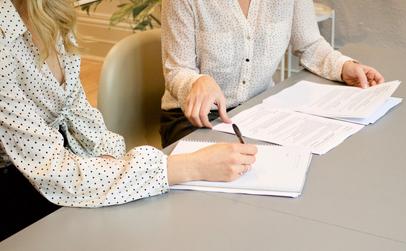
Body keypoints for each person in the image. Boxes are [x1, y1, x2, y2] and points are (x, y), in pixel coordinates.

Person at [0, 0, 257, 241]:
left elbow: (79, 113)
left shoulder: (52, 13)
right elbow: (53, 171)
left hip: (58, 164)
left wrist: (110, 160)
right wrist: (191, 167)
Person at [159, 0, 385, 147]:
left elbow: (309, 44)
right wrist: (197, 83)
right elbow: (177, 70)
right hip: (194, 119)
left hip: (258, 112)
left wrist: (344, 67)